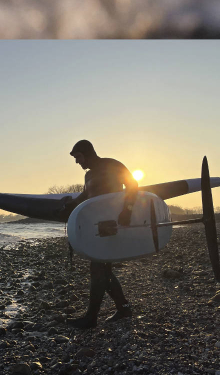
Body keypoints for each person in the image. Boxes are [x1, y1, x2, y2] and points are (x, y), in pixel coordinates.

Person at [63, 139, 138, 329]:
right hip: (96, 227)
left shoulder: (112, 165)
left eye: (78, 157)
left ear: (87, 153)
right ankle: (123, 308)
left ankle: (91, 318)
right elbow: (86, 195)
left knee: (98, 269)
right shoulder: (88, 176)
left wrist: (127, 209)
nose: (77, 162)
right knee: (103, 269)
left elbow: (133, 184)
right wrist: (71, 203)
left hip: (112, 224)